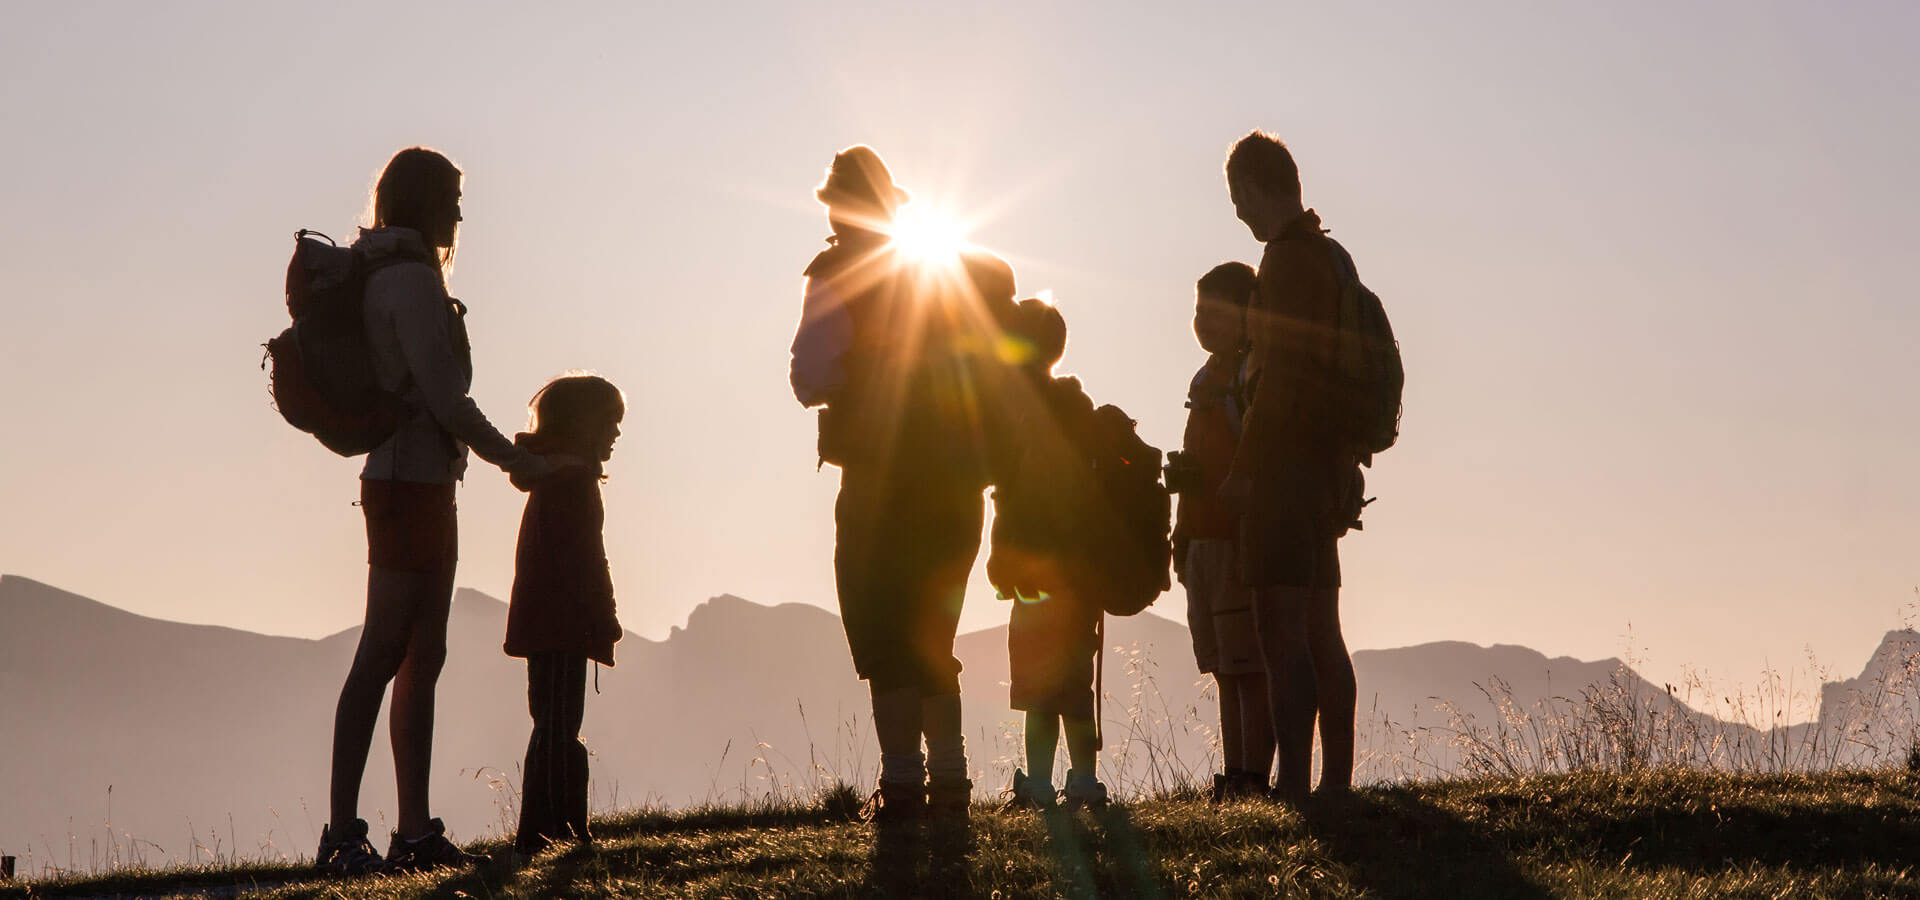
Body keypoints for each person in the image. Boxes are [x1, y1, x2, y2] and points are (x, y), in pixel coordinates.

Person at [316, 147, 556, 875]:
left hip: (410, 484)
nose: (459, 211)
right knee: (388, 654)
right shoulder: (413, 282)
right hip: (412, 484)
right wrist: (518, 462)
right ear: (423, 202)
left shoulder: (382, 273)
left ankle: (403, 831)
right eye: (451, 196)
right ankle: (352, 834)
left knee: (416, 654)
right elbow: (449, 401)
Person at [788, 146, 994, 824]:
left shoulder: (833, 274)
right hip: (957, 479)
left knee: (882, 630)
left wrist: (864, 375)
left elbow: (809, 377)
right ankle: (953, 782)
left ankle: (904, 786)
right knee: (933, 635)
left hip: (880, 479)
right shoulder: (943, 268)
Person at [1219, 131, 1363, 804]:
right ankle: (1334, 783)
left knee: (1281, 636)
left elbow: (1276, 381)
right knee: (1321, 632)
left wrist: (1245, 469)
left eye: (1237, 196)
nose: (1238, 213)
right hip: (1328, 472)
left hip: (1283, 473)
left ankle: (1297, 789)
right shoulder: (1333, 258)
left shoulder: (1282, 264)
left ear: (1254, 185)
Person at [988, 298, 1111, 812]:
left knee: (1038, 692)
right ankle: (1083, 780)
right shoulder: (1078, 410)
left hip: (1034, 578)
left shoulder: (1015, 411)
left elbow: (1010, 499)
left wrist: (1001, 566)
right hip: (1080, 576)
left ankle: (1038, 783)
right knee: (1075, 689)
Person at [504, 374, 625, 857]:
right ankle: (554, 831)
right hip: (562, 625)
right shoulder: (574, 484)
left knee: (552, 724)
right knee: (559, 727)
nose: (616, 434)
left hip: (545, 624)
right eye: (611, 424)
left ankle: (550, 829)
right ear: (586, 425)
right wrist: (604, 615)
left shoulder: (552, 479)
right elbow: (586, 561)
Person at [1170, 262, 1274, 801]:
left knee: (1246, 666)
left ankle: (1252, 774)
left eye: (1214, 312)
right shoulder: (1206, 378)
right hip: (1202, 539)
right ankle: (1235, 773)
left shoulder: (1243, 378)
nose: (1202, 322)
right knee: (1222, 667)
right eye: (1197, 311)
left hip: (1234, 540)